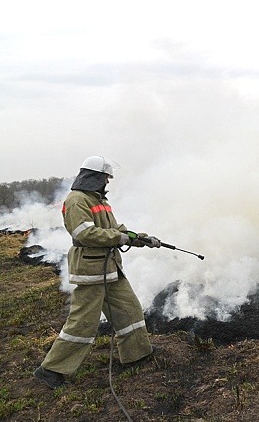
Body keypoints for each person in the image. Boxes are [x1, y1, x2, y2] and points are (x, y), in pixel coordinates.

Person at [34, 156, 161, 389]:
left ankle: (137, 355)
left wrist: (141, 238)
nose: (107, 182)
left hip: (110, 268)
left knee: (129, 310)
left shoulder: (99, 200)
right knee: (83, 322)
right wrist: (119, 238)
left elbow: (116, 229)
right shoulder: (76, 200)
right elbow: (85, 233)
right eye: (105, 178)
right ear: (93, 177)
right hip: (91, 270)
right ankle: (51, 370)